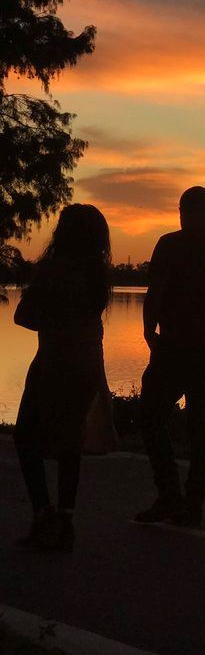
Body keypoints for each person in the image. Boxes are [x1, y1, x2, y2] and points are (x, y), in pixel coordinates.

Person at [136, 186, 205, 527]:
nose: (190, 220)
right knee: (152, 418)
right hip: (172, 348)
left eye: (196, 214)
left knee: (197, 425)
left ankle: (190, 502)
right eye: (185, 213)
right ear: (180, 212)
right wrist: (148, 329)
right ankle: (171, 495)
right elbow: (155, 293)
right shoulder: (169, 245)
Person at [12, 204, 117, 552]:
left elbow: (23, 316)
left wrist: (55, 322)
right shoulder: (99, 275)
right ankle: (66, 521)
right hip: (86, 363)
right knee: (70, 443)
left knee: (27, 436)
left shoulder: (54, 270)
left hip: (54, 361)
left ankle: (43, 514)